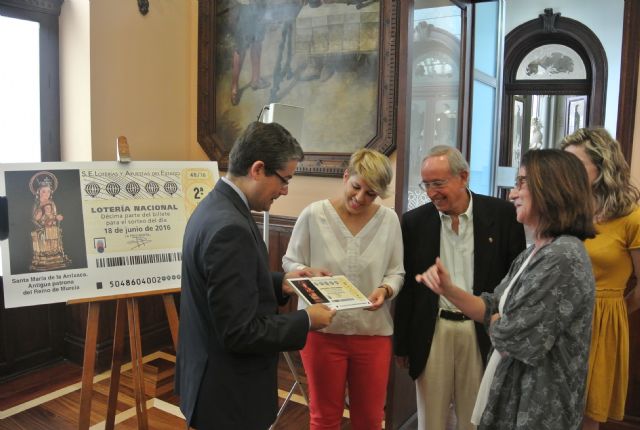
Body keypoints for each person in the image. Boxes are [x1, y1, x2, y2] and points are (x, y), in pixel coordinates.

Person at [419, 149, 596, 429]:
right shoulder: (534, 253)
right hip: (515, 398)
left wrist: (500, 323)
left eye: (522, 183)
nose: (513, 194)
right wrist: (449, 290)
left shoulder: (563, 256)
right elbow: (491, 306)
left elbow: (517, 338)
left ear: (553, 188)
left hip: (539, 408)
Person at [175, 121, 336, 430]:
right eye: (285, 179)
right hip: (229, 396)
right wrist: (307, 320)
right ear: (258, 169)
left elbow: (227, 289)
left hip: (212, 381)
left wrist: (284, 283)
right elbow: (239, 331)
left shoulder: (215, 206)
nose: (286, 190)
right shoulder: (229, 228)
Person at [393, 145, 525, 430]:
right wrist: (402, 343)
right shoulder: (415, 222)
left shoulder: (502, 215)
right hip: (433, 331)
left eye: (438, 183)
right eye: (426, 184)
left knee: (475, 418)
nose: (431, 193)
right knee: (431, 420)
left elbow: (514, 281)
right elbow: (408, 289)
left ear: (463, 177)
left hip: (481, 330)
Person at [282, 148, 404, 429]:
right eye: (357, 187)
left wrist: (385, 289)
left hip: (372, 332)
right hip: (321, 333)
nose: (360, 198)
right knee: (324, 417)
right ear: (346, 175)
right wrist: (306, 273)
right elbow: (290, 261)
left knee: (371, 419)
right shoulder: (314, 214)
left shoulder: (389, 221)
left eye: (371, 194)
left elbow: (396, 272)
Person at [561, 128, 640, 430]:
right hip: (560, 318)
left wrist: (612, 312)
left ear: (603, 165)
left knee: (586, 418)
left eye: (577, 166)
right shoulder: (568, 212)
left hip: (601, 323)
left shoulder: (631, 218)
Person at [230, 0, 270, 105]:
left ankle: (253, 81)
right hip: (250, 7)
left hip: (250, 6)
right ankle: (240, 86)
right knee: (243, 47)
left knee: (254, 42)